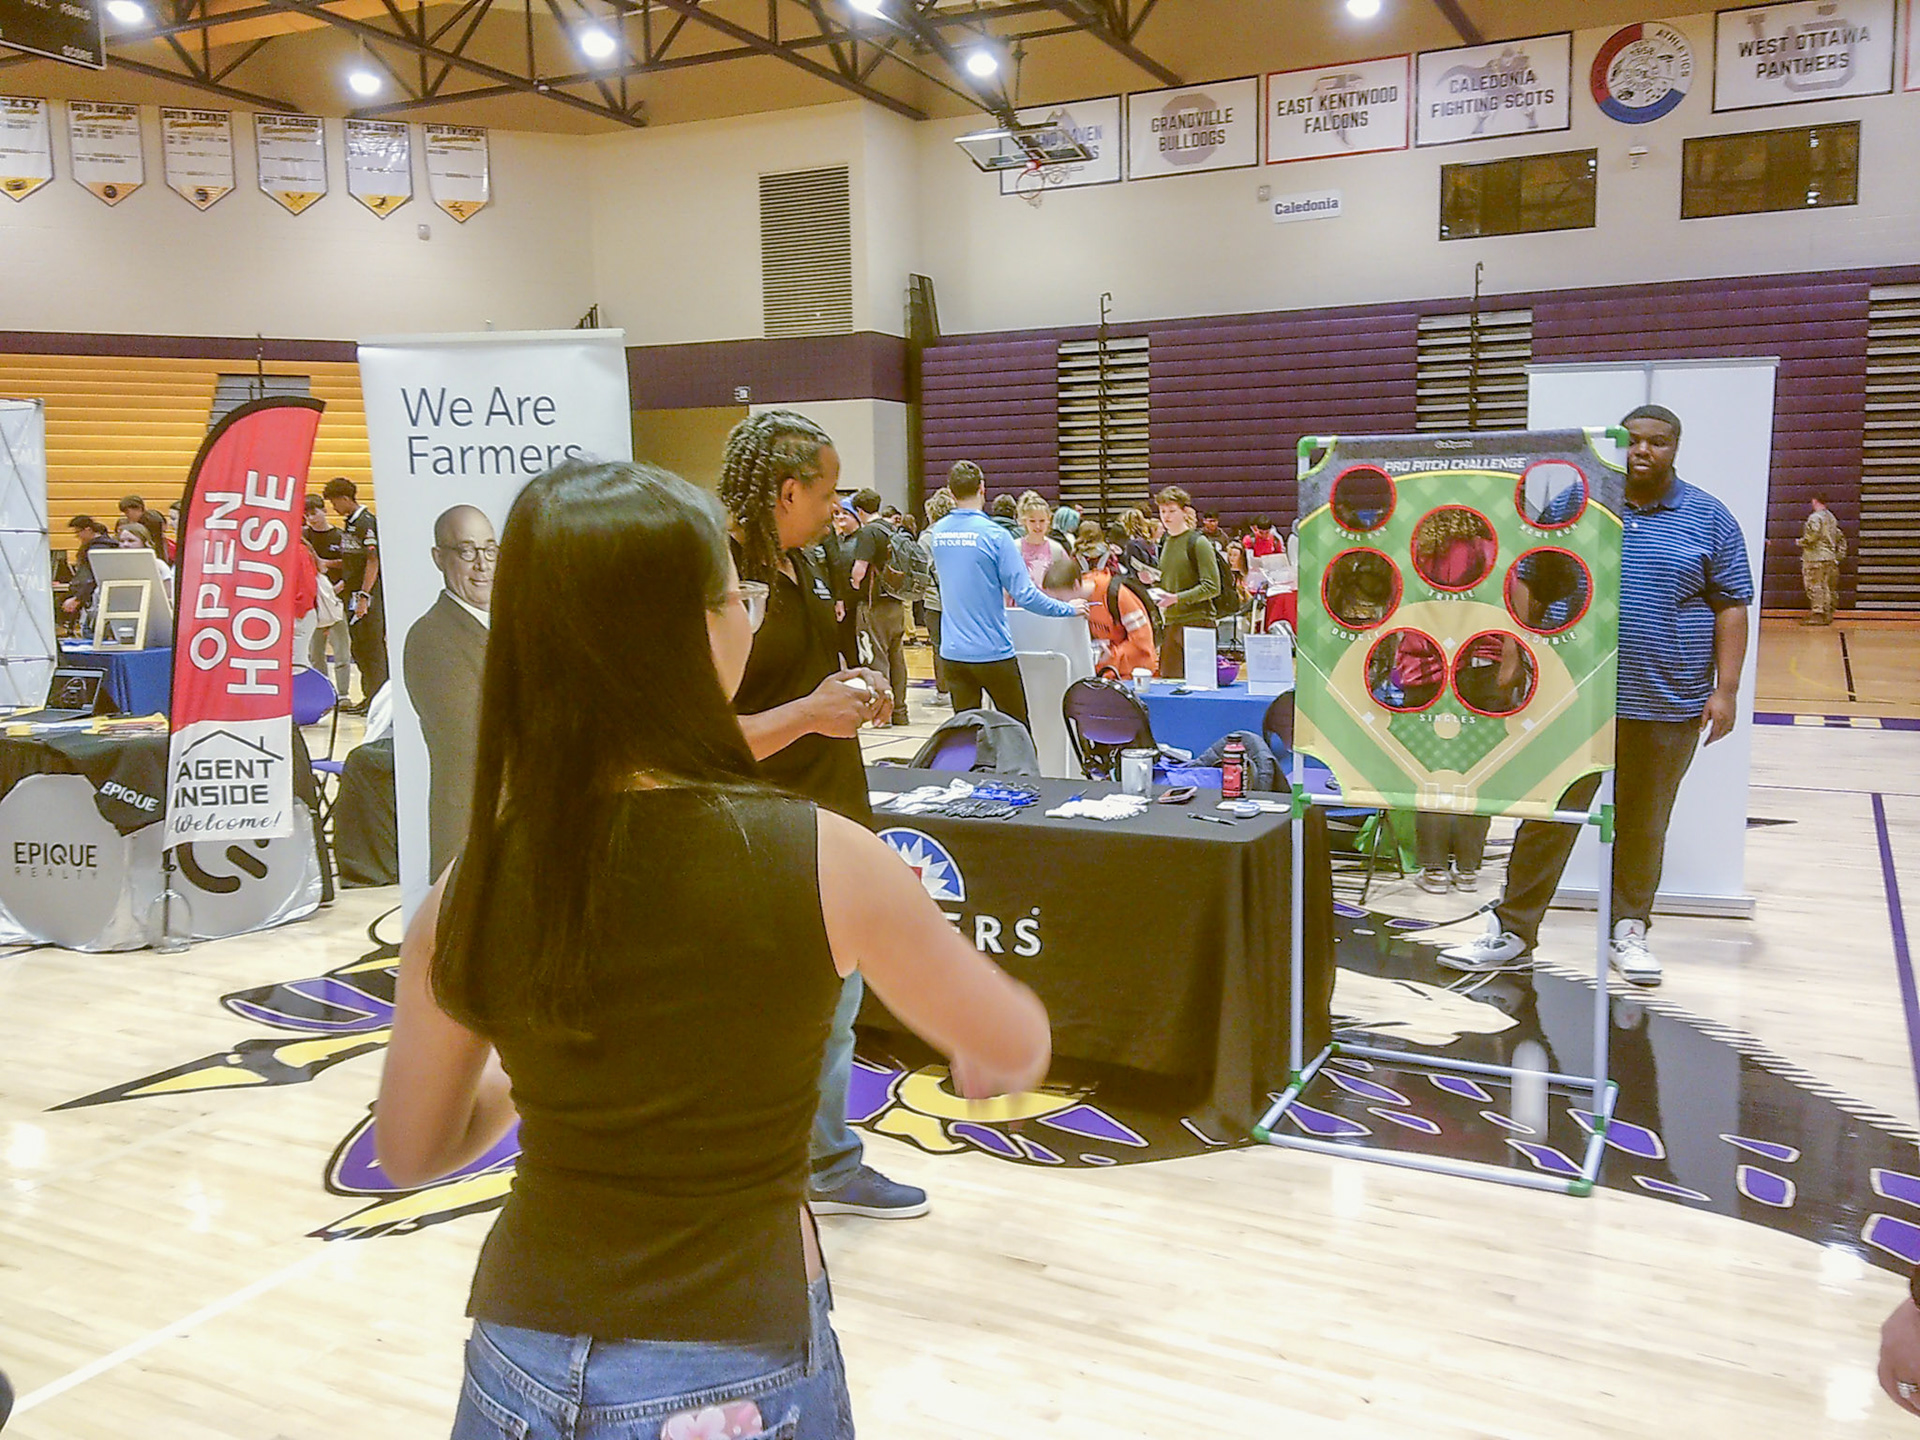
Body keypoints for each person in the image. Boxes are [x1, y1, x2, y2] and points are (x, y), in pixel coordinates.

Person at [375, 458, 1050, 1438]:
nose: (751, 612)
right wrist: (986, 1049)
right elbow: (1014, 1041)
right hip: (734, 1368)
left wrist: (555, 1064)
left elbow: (410, 1148)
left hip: (519, 1355)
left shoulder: (467, 887)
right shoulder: (827, 860)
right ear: (693, 630)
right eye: (736, 596)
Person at [1443, 405, 1752, 987]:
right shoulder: (1578, 507)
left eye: (1656, 443)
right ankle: (1513, 930)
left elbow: (1730, 604)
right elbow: (1533, 580)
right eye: (1632, 441)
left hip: (1668, 700)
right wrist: (1514, 657)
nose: (1642, 451)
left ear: (1675, 448)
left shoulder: (1708, 517)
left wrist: (1727, 690)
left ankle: (1629, 931)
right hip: (1573, 696)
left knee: (1643, 822)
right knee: (1550, 815)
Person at [719, 411, 929, 1221]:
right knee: (782, 1014)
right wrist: (811, 712)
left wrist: (855, 686)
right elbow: (702, 733)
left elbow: (803, 681)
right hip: (760, 828)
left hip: (828, 816)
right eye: (830, 489)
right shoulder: (719, 578)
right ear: (786, 490)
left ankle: (819, 1161)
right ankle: (793, 1165)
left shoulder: (803, 562)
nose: (839, 507)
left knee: (832, 1009)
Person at [924, 461, 1084, 730]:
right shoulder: (996, 536)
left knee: (967, 735)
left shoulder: (937, 534)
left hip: (952, 653)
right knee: (1017, 731)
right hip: (992, 652)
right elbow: (1025, 595)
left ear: (950, 493)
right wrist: (1068, 608)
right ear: (982, 489)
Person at [403, 506, 496, 880]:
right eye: (467, 551)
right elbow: (469, 739)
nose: (482, 565)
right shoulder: (430, 636)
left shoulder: (509, 625)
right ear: (439, 558)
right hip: (473, 830)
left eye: (490, 549)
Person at [847, 488, 910, 728]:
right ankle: (901, 712)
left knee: (875, 658)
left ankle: (881, 714)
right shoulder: (891, 529)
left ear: (859, 511)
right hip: (896, 603)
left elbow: (860, 568)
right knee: (897, 658)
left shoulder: (868, 533)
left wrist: (853, 585)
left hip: (874, 605)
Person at [324, 476, 387, 711]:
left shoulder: (366, 523)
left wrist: (364, 596)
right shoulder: (349, 523)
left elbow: (373, 560)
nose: (334, 508)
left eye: (334, 502)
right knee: (359, 648)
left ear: (345, 498)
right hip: (350, 595)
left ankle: (379, 701)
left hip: (366, 598)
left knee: (372, 649)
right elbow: (353, 560)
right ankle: (369, 697)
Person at [1150, 486, 1220, 680]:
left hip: (1198, 622)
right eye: (1163, 511)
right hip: (1171, 622)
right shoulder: (1165, 542)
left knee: (1200, 685)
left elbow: (1212, 587)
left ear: (1184, 511)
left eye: (1172, 511)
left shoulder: (1198, 542)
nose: (1167, 516)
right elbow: (1174, 578)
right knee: (1169, 684)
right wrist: (1153, 579)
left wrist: (1176, 598)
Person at [304, 494, 353, 695]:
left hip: (336, 600)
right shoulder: (304, 537)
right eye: (307, 515)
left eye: (315, 513)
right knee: (315, 653)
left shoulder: (341, 536)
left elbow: (352, 566)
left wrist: (338, 588)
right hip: (312, 602)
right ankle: (323, 693)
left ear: (324, 510)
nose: (312, 518)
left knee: (342, 651)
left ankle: (343, 695)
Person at [922, 487, 956, 702]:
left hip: (935, 601)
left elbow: (921, 570)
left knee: (938, 646)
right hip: (961, 600)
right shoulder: (960, 533)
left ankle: (943, 691)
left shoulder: (927, 538)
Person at [1799, 495, 1845, 626]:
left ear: (1814, 501)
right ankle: (1827, 613)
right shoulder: (1831, 518)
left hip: (1815, 557)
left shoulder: (1815, 517)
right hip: (1829, 557)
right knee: (1827, 587)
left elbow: (1813, 535)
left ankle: (1817, 614)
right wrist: (1838, 556)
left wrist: (1802, 542)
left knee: (1814, 586)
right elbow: (1840, 538)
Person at [60, 515, 115, 624]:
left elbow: (92, 577)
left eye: (78, 532)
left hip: (90, 597)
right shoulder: (99, 546)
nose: (77, 536)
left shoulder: (97, 549)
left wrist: (78, 598)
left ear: (88, 530)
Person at [1015, 491, 1071, 590]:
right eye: (1032, 521)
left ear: (1048, 520)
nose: (1037, 526)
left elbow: (1068, 580)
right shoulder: (1014, 548)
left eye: (1042, 521)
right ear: (1024, 521)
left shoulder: (1057, 550)